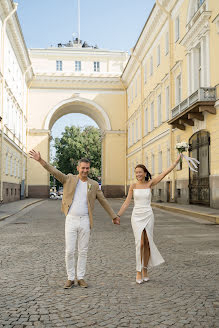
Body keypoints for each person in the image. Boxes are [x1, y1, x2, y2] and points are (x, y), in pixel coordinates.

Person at [29, 149, 120, 289]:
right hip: (71, 219)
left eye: (87, 168)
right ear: (78, 168)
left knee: (83, 250)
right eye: (82, 168)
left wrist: (114, 216)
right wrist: (41, 160)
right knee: (69, 251)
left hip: (85, 220)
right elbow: (54, 171)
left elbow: (103, 201)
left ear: (89, 169)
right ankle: (70, 278)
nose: (85, 170)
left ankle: (81, 277)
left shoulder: (94, 185)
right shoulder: (69, 179)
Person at [117, 154, 181, 284]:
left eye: (140, 172)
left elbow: (163, 174)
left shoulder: (150, 183)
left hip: (148, 215)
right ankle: (138, 271)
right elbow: (126, 203)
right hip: (137, 216)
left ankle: (145, 269)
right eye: (136, 172)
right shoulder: (133, 186)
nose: (138, 174)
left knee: (147, 243)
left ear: (145, 173)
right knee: (139, 243)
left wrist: (175, 164)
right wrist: (117, 215)